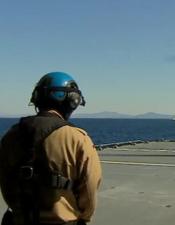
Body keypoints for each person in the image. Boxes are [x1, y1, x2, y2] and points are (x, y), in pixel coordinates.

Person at [0, 72, 102, 225]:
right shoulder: (78, 139)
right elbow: (89, 188)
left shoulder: (11, 135)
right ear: (72, 101)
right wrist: (84, 217)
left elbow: (6, 182)